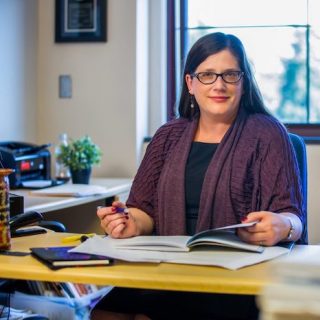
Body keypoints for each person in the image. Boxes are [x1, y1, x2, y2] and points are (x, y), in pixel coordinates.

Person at [92, 32, 307, 320]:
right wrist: (128, 224)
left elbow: (293, 217)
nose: (219, 84)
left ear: (243, 83)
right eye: (207, 75)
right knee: (105, 312)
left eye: (230, 75)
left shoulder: (268, 133)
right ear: (190, 83)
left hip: (237, 274)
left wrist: (282, 226)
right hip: (169, 267)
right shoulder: (167, 136)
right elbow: (142, 211)